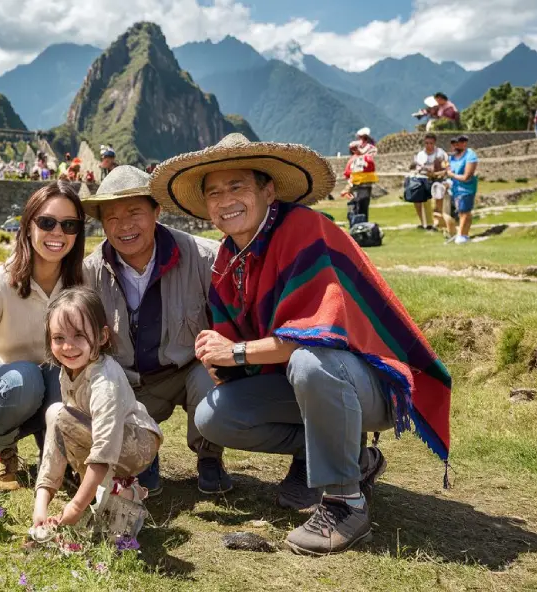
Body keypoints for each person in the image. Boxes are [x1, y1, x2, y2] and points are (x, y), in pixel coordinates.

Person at [149, 133, 451, 555]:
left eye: (237, 187)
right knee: (213, 417)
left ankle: (345, 503)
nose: (224, 200)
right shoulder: (226, 258)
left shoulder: (306, 231)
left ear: (267, 190)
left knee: (311, 361)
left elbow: (316, 335)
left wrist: (233, 352)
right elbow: (235, 343)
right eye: (214, 192)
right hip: (313, 388)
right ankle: (353, 461)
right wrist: (217, 350)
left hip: (366, 385)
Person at [81, 166, 232, 494]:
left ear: (156, 211)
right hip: (129, 383)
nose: (124, 227)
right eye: (112, 218)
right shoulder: (90, 272)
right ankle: (142, 453)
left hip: (187, 370)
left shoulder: (203, 257)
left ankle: (209, 454)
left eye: (135, 212)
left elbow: (229, 324)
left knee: (210, 375)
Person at [0, 181, 86, 491]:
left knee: (62, 375)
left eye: (69, 225)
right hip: (4, 382)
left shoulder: (82, 284)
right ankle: (3, 450)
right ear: (27, 226)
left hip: (55, 384)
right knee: (27, 378)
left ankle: (63, 454)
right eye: (47, 222)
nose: (57, 233)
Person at [32, 287, 162, 533]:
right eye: (59, 338)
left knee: (59, 416)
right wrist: (41, 504)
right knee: (57, 415)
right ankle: (119, 492)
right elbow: (61, 440)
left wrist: (75, 508)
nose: (68, 346)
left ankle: (125, 490)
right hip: (111, 441)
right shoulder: (69, 369)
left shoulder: (105, 381)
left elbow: (103, 448)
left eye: (79, 336)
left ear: (102, 337)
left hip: (138, 442)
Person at [412, 133, 448, 231]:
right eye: (427, 143)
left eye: (431, 143)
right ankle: (424, 222)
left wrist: (436, 173)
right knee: (417, 198)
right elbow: (418, 168)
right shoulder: (420, 154)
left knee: (438, 199)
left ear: (434, 143)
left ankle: (437, 222)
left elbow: (446, 168)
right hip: (424, 179)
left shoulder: (441, 153)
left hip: (438, 179)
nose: (429, 145)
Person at [446, 135, 479, 244]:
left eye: (457, 143)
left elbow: (466, 177)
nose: (455, 146)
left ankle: (460, 235)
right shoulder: (452, 157)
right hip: (455, 189)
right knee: (462, 212)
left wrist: (452, 175)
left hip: (466, 189)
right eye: (453, 143)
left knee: (464, 211)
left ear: (464, 143)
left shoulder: (470, 156)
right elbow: (447, 171)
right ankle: (465, 235)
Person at [341, 140, 377, 228]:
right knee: (364, 207)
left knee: (355, 206)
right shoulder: (367, 158)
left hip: (354, 188)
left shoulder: (351, 160)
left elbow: (347, 174)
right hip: (366, 187)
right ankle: (364, 226)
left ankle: (355, 225)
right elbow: (372, 168)